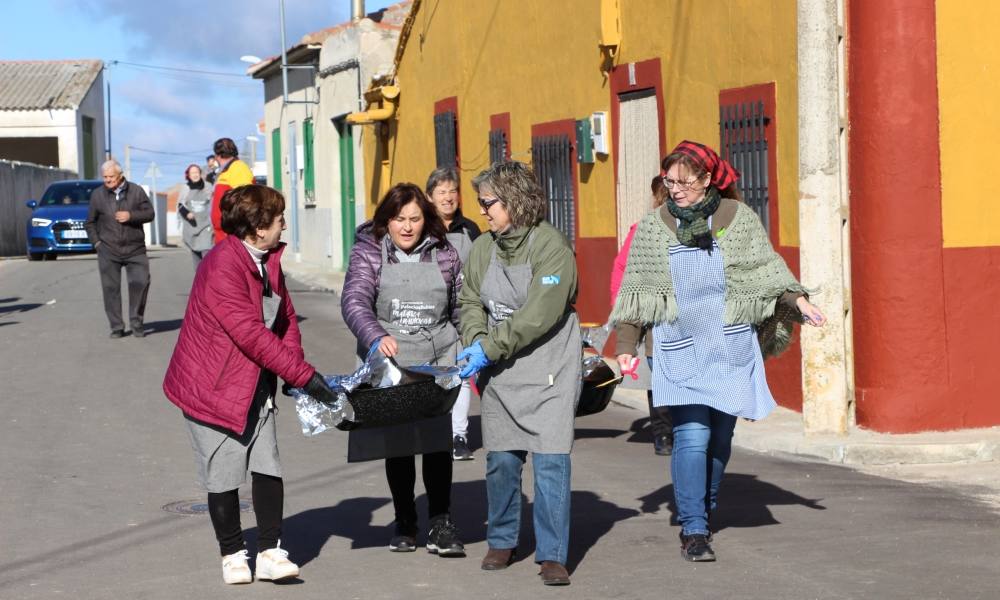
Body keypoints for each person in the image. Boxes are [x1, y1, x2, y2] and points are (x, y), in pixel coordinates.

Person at [610, 140, 827, 563]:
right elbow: (638, 291)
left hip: (730, 347)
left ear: (708, 180)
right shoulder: (654, 227)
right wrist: (626, 347)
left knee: (721, 437)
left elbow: (764, 271)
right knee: (693, 435)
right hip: (678, 347)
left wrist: (799, 301)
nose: (675, 189)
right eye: (669, 181)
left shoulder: (736, 218)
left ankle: (704, 505)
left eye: (684, 181)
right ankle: (693, 527)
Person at [163, 184, 341, 585]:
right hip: (212, 385)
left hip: (253, 381)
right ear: (259, 227)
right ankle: (231, 553)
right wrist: (307, 378)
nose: (283, 224)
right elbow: (250, 334)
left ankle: (270, 551)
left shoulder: (268, 260)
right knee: (223, 472)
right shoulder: (223, 265)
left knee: (267, 465)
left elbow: (286, 320)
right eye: (279, 218)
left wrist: (293, 366)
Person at [458, 161, 580, 586]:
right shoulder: (483, 248)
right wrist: (475, 336)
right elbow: (469, 297)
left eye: (488, 203)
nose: (483, 211)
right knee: (502, 462)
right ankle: (502, 539)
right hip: (501, 371)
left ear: (514, 201)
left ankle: (552, 554)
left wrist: (487, 348)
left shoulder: (552, 249)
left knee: (550, 463)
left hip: (548, 371)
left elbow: (537, 316)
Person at [340, 182, 466, 557]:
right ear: (386, 221)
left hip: (437, 360)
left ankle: (441, 522)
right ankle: (405, 520)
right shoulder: (368, 252)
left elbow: (461, 306)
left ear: (426, 220)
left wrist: (470, 346)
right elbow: (354, 299)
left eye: (414, 219)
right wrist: (375, 335)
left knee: (437, 442)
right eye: (399, 219)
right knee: (399, 445)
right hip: (391, 362)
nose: (407, 227)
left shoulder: (446, 253)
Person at [609, 175, 674, 456]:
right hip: (656, 320)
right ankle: (663, 432)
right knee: (659, 376)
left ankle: (669, 433)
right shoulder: (644, 231)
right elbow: (624, 273)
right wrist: (625, 322)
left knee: (662, 379)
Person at [425, 166, 481, 461]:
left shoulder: (470, 229)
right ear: (430, 197)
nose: (448, 198)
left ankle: (458, 435)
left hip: (463, 313)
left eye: (452, 191)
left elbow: (482, 268)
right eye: (441, 192)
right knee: (431, 376)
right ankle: (432, 431)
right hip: (428, 315)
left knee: (460, 373)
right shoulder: (421, 227)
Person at [84, 159, 155, 338]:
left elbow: (150, 213)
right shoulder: (97, 195)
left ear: (120, 175)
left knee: (140, 283)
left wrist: (131, 215)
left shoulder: (136, 191)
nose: (107, 180)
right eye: (105, 177)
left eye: (111, 177)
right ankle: (117, 326)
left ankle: (136, 322)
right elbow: (90, 223)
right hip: (108, 250)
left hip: (135, 249)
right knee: (110, 290)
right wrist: (97, 244)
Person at [209, 138, 254, 244]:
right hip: (223, 233)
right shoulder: (226, 170)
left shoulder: (238, 168)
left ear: (217, 155)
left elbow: (246, 201)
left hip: (232, 233)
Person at [177, 164, 215, 268]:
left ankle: (209, 276)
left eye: (197, 172)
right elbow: (180, 205)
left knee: (207, 251)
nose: (195, 175)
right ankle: (200, 278)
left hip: (206, 226)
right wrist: (187, 213)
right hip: (191, 226)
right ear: (188, 175)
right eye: (192, 173)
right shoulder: (185, 188)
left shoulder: (208, 186)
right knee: (196, 254)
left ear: (200, 174)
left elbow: (213, 202)